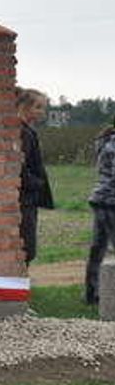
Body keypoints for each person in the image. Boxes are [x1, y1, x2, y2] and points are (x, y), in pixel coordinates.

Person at [17, 88, 54, 263]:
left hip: (28, 197)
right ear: (24, 106)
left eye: (43, 107)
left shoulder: (28, 131)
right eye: (38, 107)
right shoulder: (23, 133)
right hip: (25, 199)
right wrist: (36, 183)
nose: (42, 112)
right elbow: (19, 166)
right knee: (27, 249)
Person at [84, 117, 115, 304]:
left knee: (97, 249)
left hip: (101, 200)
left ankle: (91, 293)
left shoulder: (107, 141)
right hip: (111, 201)